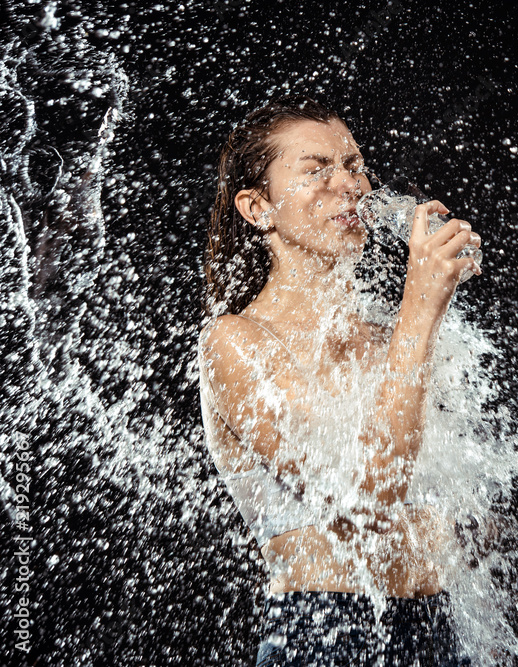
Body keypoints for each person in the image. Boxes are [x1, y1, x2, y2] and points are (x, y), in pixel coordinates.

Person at [197, 95, 482, 666]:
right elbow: (366, 507)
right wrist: (421, 308)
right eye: (315, 170)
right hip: (329, 630)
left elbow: (428, 496)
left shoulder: (383, 340)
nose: (348, 185)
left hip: (438, 633)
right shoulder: (235, 342)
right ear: (258, 209)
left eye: (353, 166)